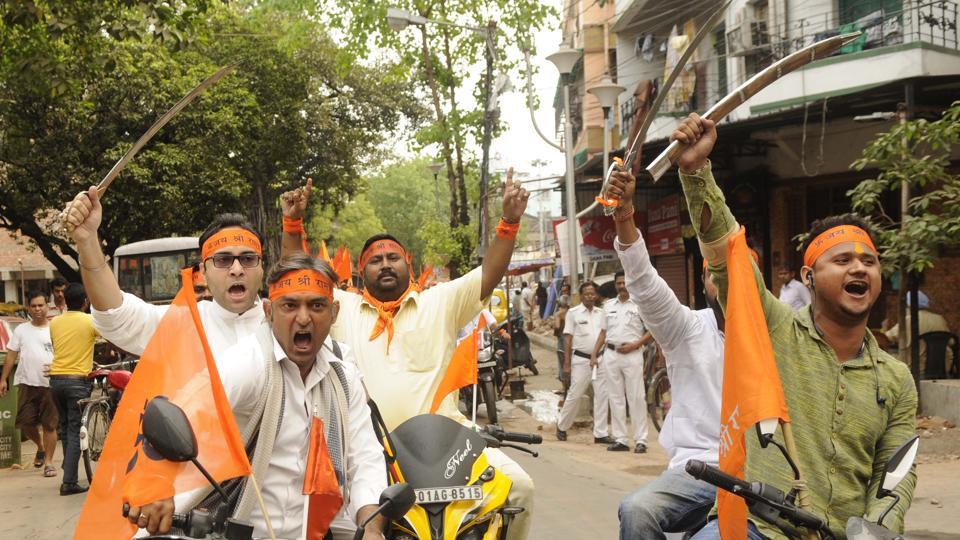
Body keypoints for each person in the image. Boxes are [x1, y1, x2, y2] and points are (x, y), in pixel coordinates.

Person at [655, 112, 917, 538]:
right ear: (808, 278)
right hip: (759, 527)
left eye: (868, 261)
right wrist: (696, 171)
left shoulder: (897, 380)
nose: (860, 268)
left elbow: (896, 473)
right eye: (843, 260)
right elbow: (729, 258)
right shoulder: (774, 330)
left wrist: (876, 528)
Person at [284, 172, 535, 540]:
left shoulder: (441, 301)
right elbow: (300, 279)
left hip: (452, 451)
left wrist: (510, 221)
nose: (385, 264)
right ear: (360, 271)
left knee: (520, 487)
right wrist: (292, 224)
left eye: (393, 257)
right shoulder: (341, 309)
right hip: (371, 454)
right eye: (375, 260)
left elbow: (489, 274)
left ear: (408, 264)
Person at [127, 255, 388, 539]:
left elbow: (364, 458)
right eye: (290, 305)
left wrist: (372, 527)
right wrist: (158, 487)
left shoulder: (343, 377)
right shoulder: (247, 363)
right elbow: (182, 414)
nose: (303, 318)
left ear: (334, 313)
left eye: (316, 305)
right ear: (268, 311)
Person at [605, 171, 732, 538]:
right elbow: (644, 283)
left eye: (735, 271)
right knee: (636, 510)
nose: (723, 282)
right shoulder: (689, 328)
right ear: (704, 281)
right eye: (715, 274)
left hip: (761, 475)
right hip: (698, 470)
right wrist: (625, 213)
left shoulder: (779, 335)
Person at [592, 272, 653, 453]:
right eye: (619, 283)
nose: (621, 286)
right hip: (611, 354)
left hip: (632, 355)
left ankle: (641, 439)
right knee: (615, 397)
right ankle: (621, 439)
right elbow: (603, 333)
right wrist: (594, 354)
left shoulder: (640, 305)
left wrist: (636, 344)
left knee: (636, 397)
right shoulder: (608, 305)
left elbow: (651, 331)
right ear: (615, 285)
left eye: (624, 282)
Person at [0, 290, 59, 477]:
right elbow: (10, 355)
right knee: (25, 423)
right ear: (28, 308)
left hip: (51, 383)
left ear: (47, 306)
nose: (37, 309)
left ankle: (49, 462)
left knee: (50, 425)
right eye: (33, 306)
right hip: (26, 382)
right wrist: (3, 379)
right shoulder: (21, 330)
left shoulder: (56, 328)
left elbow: (65, 352)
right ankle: (40, 445)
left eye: (41, 305)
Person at [48, 283, 99, 495]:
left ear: (65, 301)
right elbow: (108, 338)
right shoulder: (90, 321)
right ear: (85, 302)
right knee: (76, 430)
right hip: (77, 381)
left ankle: (69, 470)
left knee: (66, 427)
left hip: (55, 380)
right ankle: (68, 482)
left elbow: (58, 345)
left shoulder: (55, 322)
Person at [556, 281, 612, 445]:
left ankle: (600, 433)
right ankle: (562, 426)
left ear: (596, 295)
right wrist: (566, 363)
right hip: (580, 360)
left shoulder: (601, 313)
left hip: (600, 358)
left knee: (602, 395)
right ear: (580, 296)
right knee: (575, 394)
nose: (590, 296)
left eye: (592, 293)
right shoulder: (573, 313)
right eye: (586, 293)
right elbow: (567, 338)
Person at [883, 290, 954, 376]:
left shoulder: (907, 320)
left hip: (916, 368)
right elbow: (951, 342)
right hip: (942, 369)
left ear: (909, 306)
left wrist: (884, 328)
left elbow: (884, 338)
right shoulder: (940, 319)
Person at [553, 294, 571, 393]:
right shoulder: (572, 312)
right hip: (572, 339)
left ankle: (564, 387)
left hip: (562, 339)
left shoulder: (559, 314)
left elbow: (557, 326)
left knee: (562, 362)